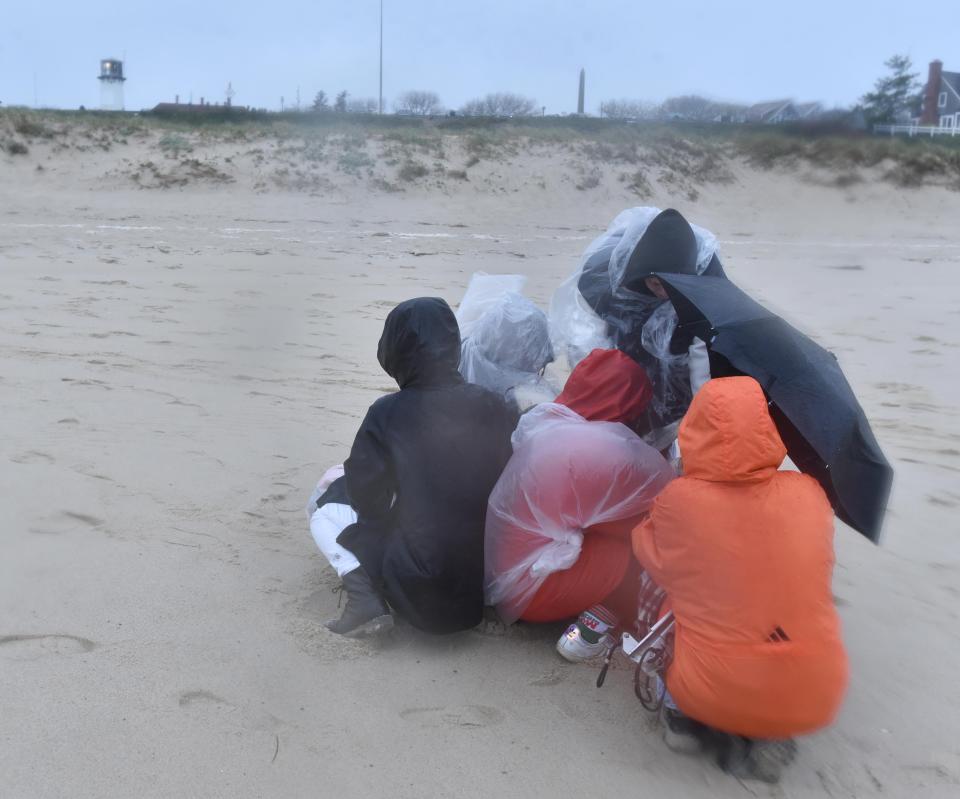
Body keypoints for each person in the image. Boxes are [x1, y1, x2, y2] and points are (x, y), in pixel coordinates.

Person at [631, 376, 849, 783]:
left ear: (694, 429)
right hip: (818, 691)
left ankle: (682, 720)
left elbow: (651, 557)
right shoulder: (810, 493)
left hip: (709, 688)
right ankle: (770, 729)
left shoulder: (681, 501)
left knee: (666, 598)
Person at [312, 297, 517, 636]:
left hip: (417, 585)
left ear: (395, 349)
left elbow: (367, 498)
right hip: (478, 581)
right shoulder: (492, 403)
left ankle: (364, 600)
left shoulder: (387, 412)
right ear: (453, 346)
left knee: (324, 507)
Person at [484, 349, 674, 660]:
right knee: (640, 550)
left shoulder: (544, 419)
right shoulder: (602, 450)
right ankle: (594, 626)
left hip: (504, 569)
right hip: (532, 593)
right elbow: (642, 522)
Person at [551, 207, 726, 449]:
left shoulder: (703, 298)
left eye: (671, 287)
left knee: (658, 444)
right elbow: (592, 343)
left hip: (676, 386)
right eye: (656, 284)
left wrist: (696, 425)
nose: (663, 292)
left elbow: (701, 371)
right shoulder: (610, 282)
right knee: (605, 443)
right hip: (623, 375)